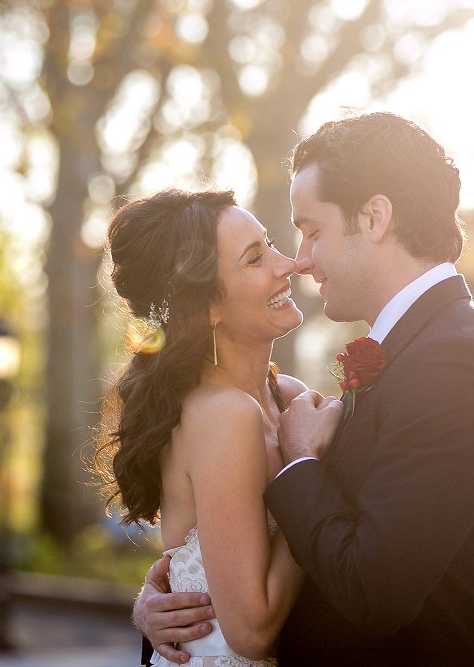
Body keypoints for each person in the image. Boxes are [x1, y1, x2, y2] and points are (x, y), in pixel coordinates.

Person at [135, 112, 474, 666]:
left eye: (311, 231)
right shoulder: (413, 355)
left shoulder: (453, 360)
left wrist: (304, 465)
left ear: (374, 217)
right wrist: (162, 605)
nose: (298, 260)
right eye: (262, 254)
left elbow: (377, 581)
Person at [96, 188, 319, 665]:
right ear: (206, 308)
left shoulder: (292, 399)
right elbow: (252, 631)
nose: (288, 265)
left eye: (271, 243)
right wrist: (309, 467)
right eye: (255, 259)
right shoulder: (223, 416)